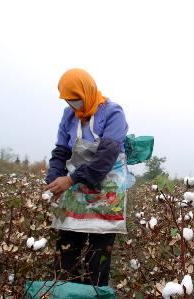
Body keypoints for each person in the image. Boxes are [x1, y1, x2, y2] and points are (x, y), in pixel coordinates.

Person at [44, 68, 130, 286]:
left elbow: (105, 158)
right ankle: (65, 289)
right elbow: (61, 152)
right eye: (69, 101)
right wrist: (53, 182)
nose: (73, 105)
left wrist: (70, 180)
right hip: (74, 187)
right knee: (67, 251)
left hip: (107, 186)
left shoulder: (113, 113)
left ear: (87, 92)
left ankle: (95, 291)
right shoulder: (69, 116)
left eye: (76, 100)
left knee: (98, 257)